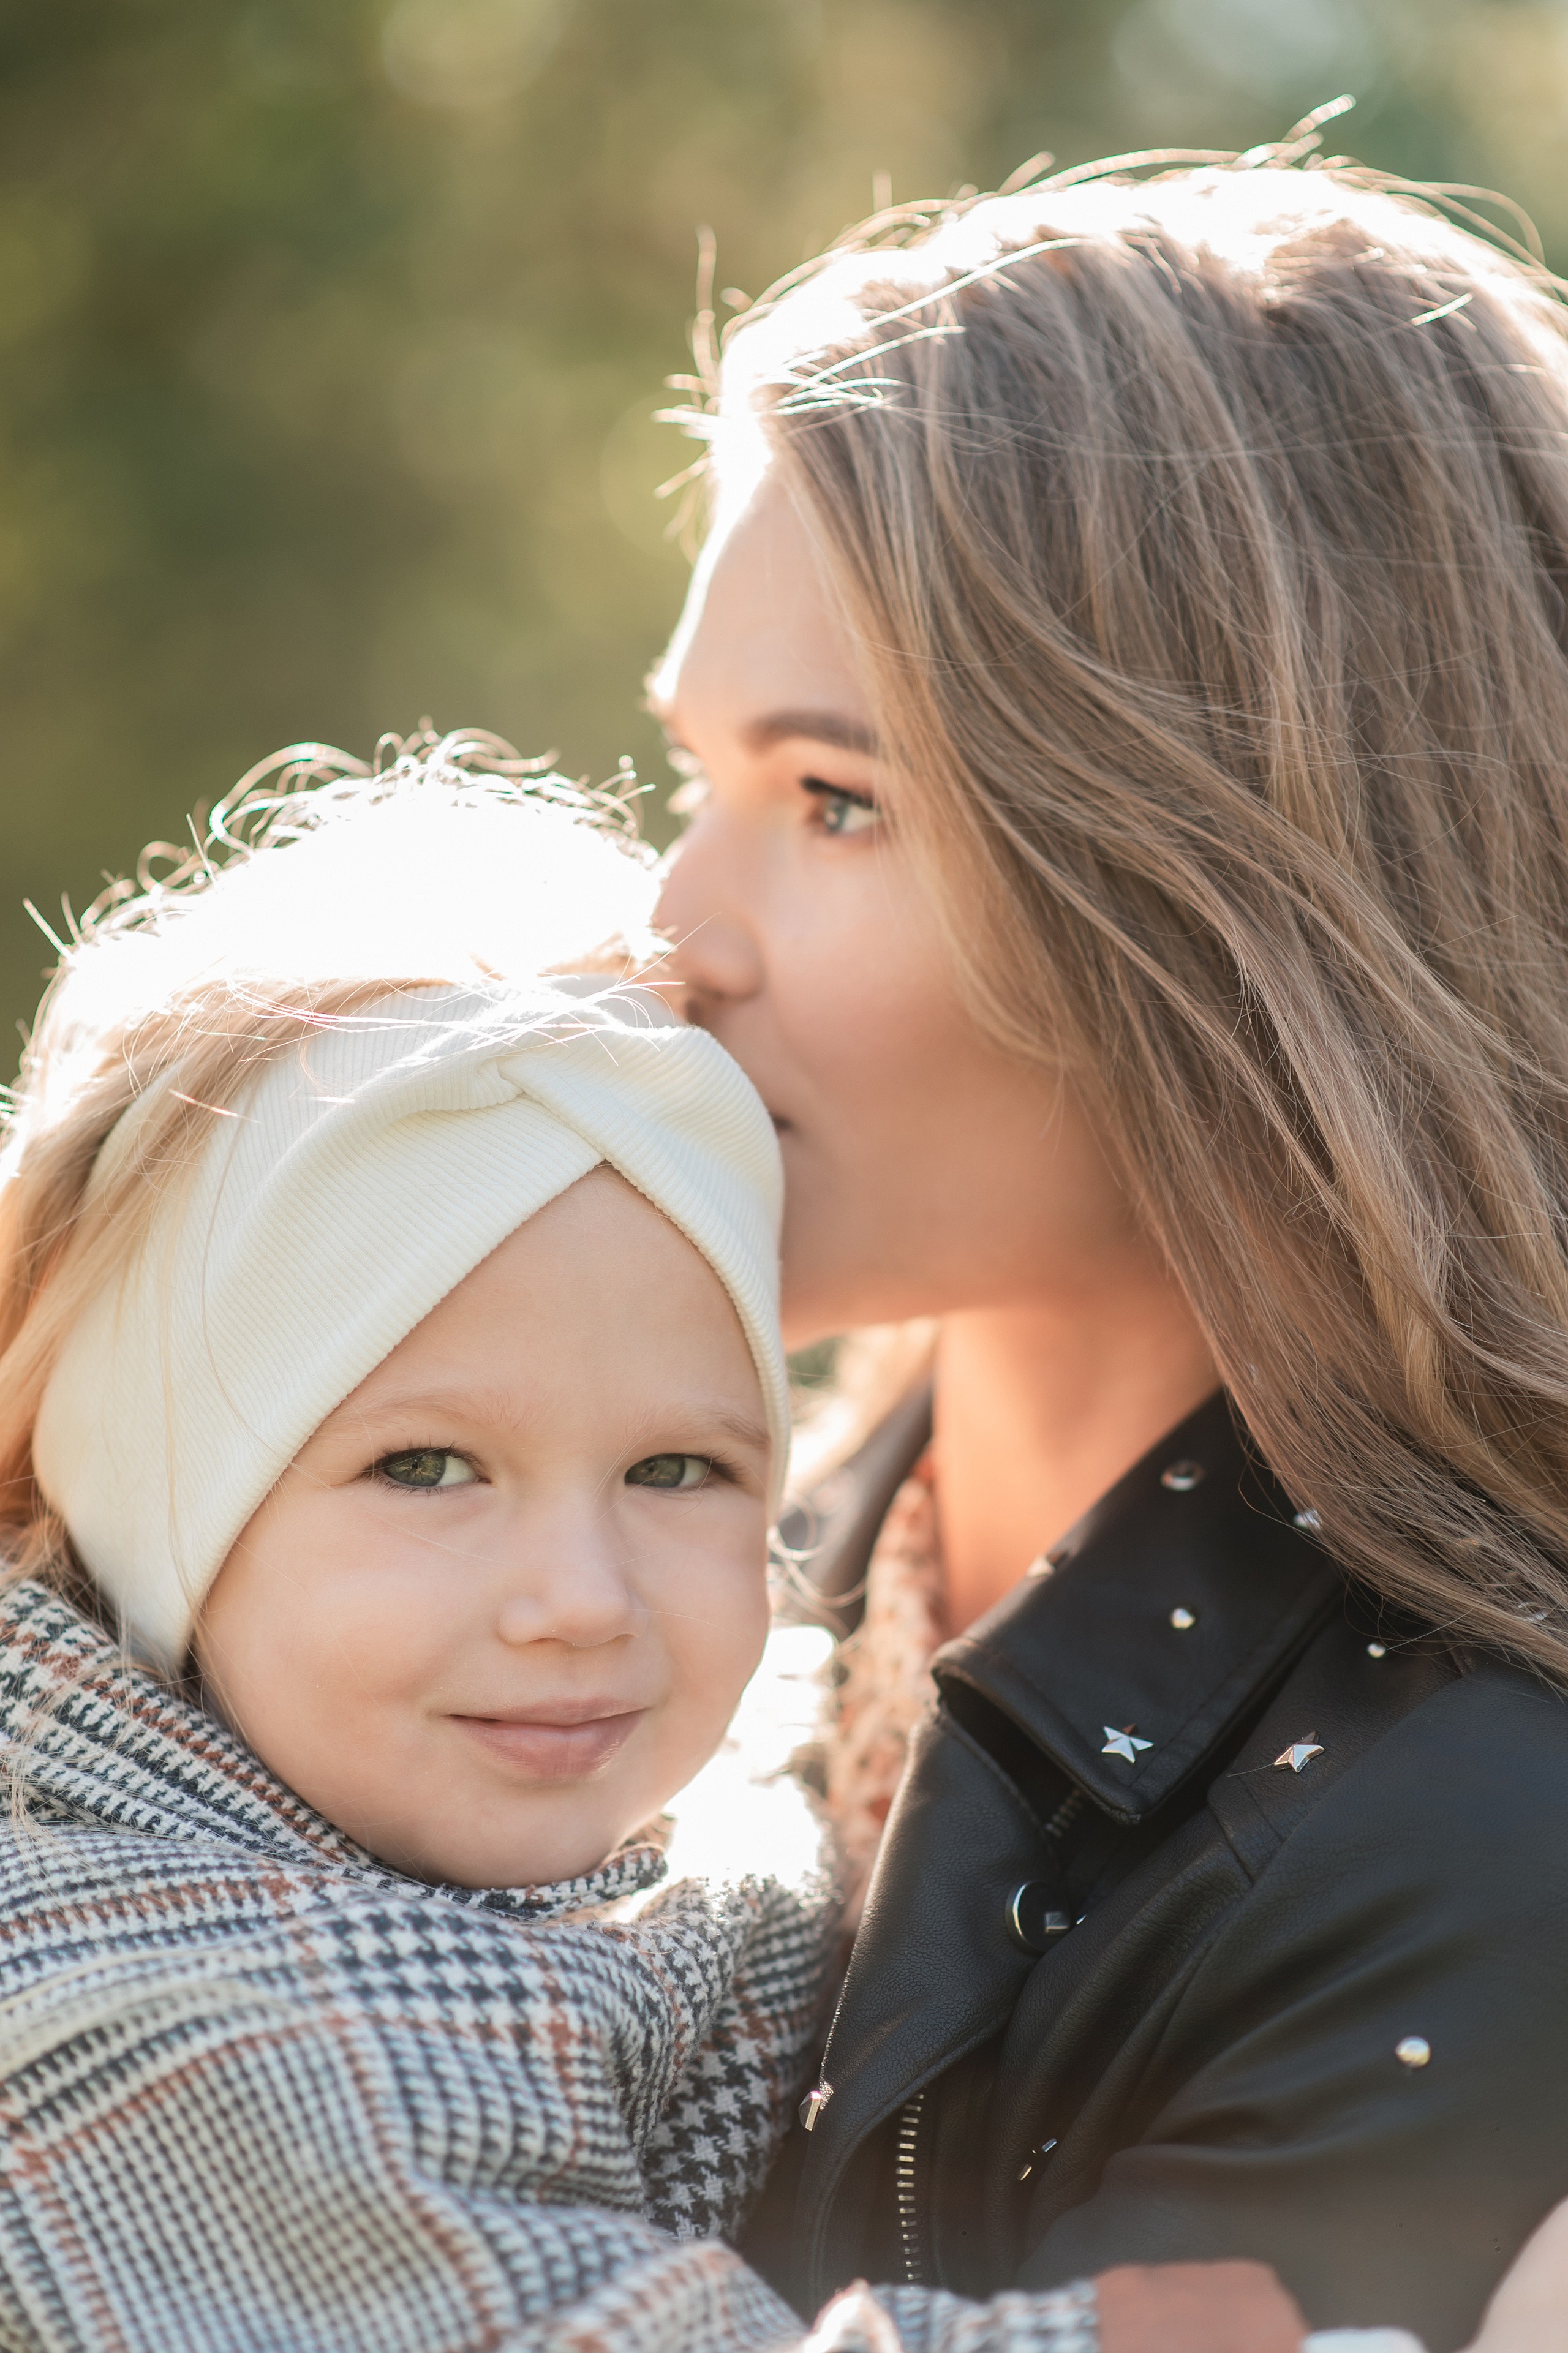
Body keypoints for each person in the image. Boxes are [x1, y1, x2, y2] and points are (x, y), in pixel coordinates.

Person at [648, 124, 1568, 2352]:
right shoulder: (686, 1545)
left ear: (1228, 897)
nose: (671, 935)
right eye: (692, 778)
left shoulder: (1469, 1849)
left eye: (836, 800)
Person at [0, 734, 840, 2351]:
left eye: (676, 1465)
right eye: (430, 1466)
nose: (580, 1603)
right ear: (164, 1496)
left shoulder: (655, 1833)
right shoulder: (134, 1997)